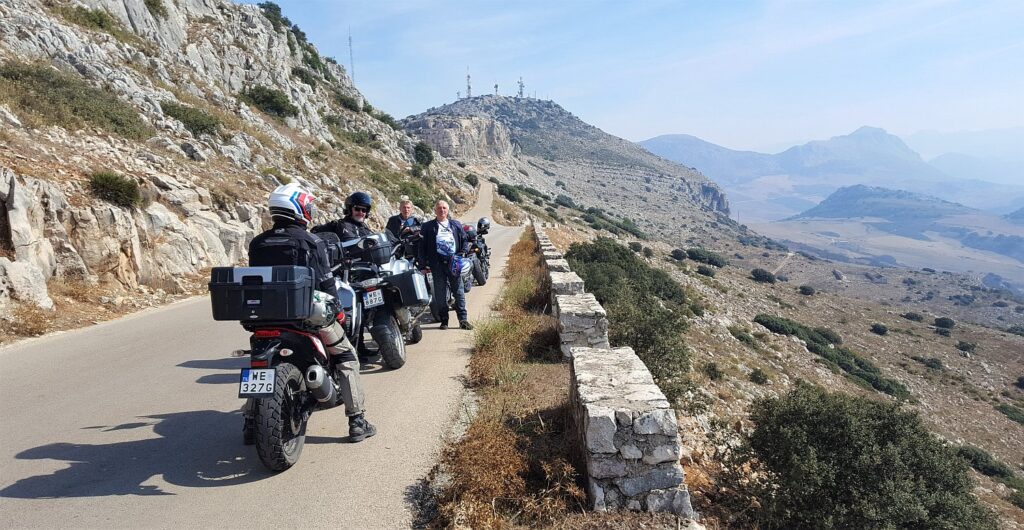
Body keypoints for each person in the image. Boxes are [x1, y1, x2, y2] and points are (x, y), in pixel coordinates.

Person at [248, 183, 376, 442]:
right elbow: (327, 283)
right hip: (305, 316)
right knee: (346, 356)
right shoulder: (311, 242)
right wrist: (339, 313)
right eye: (307, 206)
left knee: (259, 365)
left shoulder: (257, 243)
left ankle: (251, 423)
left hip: (265, 317)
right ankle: (357, 421)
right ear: (298, 208)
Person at [418, 200, 473, 330]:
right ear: (435, 210)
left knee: (459, 291)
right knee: (440, 294)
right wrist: (422, 265)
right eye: (439, 208)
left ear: (448, 210)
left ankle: (463, 320)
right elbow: (421, 247)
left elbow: (464, 240)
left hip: (454, 263)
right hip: (437, 264)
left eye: (444, 208)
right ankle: (444, 321)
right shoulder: (427, 226)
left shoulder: (455, 224)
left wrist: (463, 253)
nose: (442, 210)